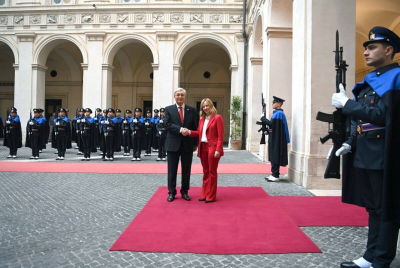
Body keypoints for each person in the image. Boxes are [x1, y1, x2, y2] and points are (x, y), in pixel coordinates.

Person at [331, 26, 400, 268]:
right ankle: (370, 256)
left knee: (387, 209)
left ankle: (381, 260)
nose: (366, 52)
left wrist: (348, 103)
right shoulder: (372, 82)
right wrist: (349, 141)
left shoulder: (395, 79)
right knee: (373, 208)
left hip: (384, 155)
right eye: (366, 48)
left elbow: (381, 116)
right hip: (365, 152)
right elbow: (362, 119)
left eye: (372, 47)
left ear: (388, 50)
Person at [183, 98, 224, 203]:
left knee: (212, 172)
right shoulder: (202, 119)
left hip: (213, 148)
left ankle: (211, 196)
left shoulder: (217, 118)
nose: (205, 108)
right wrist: (189, 132)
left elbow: (220, 136)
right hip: (203, 147)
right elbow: (198, 133)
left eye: (207, 105)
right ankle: (205, 194)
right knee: (205, 172)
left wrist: (218, 150)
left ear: (211, 106)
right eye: (203, 106)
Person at [164, 88, 198, 202]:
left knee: (186, 170)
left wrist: (195, 143)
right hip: (173, 144)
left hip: (187, 144)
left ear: (185, 97)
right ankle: (171, 192)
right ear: (174, 97)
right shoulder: (169, 109)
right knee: (172, 170)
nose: (180, 97)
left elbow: (195, 127)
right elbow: (167, 124)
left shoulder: (192, 110)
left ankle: (185, 191)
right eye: (178, 95)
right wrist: (180, 129)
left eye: (182, 95)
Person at [259, 96, 290, 182]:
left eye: (274, 102)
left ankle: (275, 175)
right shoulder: (276, 113)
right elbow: (274, 127)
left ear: (279, 104)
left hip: (277, 139)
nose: (272, 104)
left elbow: (272, 124)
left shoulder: (279, 114)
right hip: (274, 138)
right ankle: (273, 174)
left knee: (275, 156)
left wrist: (263, 119)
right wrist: (268, 131)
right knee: (273, 156)